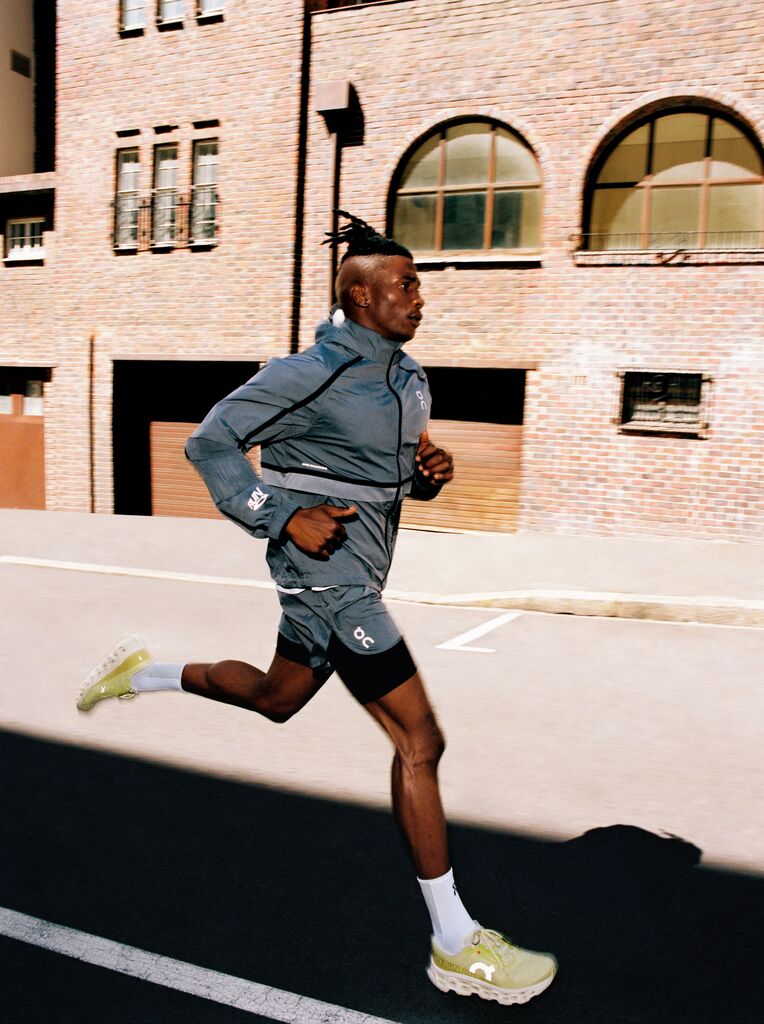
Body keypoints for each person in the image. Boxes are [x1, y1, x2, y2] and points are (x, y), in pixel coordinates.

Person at [76, 212, 557, 1005]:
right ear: (362, 297)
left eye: (418, 286)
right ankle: (455, 942)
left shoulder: (408, 378)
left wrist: (425, 474)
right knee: (420, 740)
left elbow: (376, 471)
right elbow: (209, 443)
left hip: (355, 572)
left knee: (278, 699)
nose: (420, 298)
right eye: (406, 286)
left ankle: (143, 672)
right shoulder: (311, 371)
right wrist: (278, 513)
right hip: (328, 577)